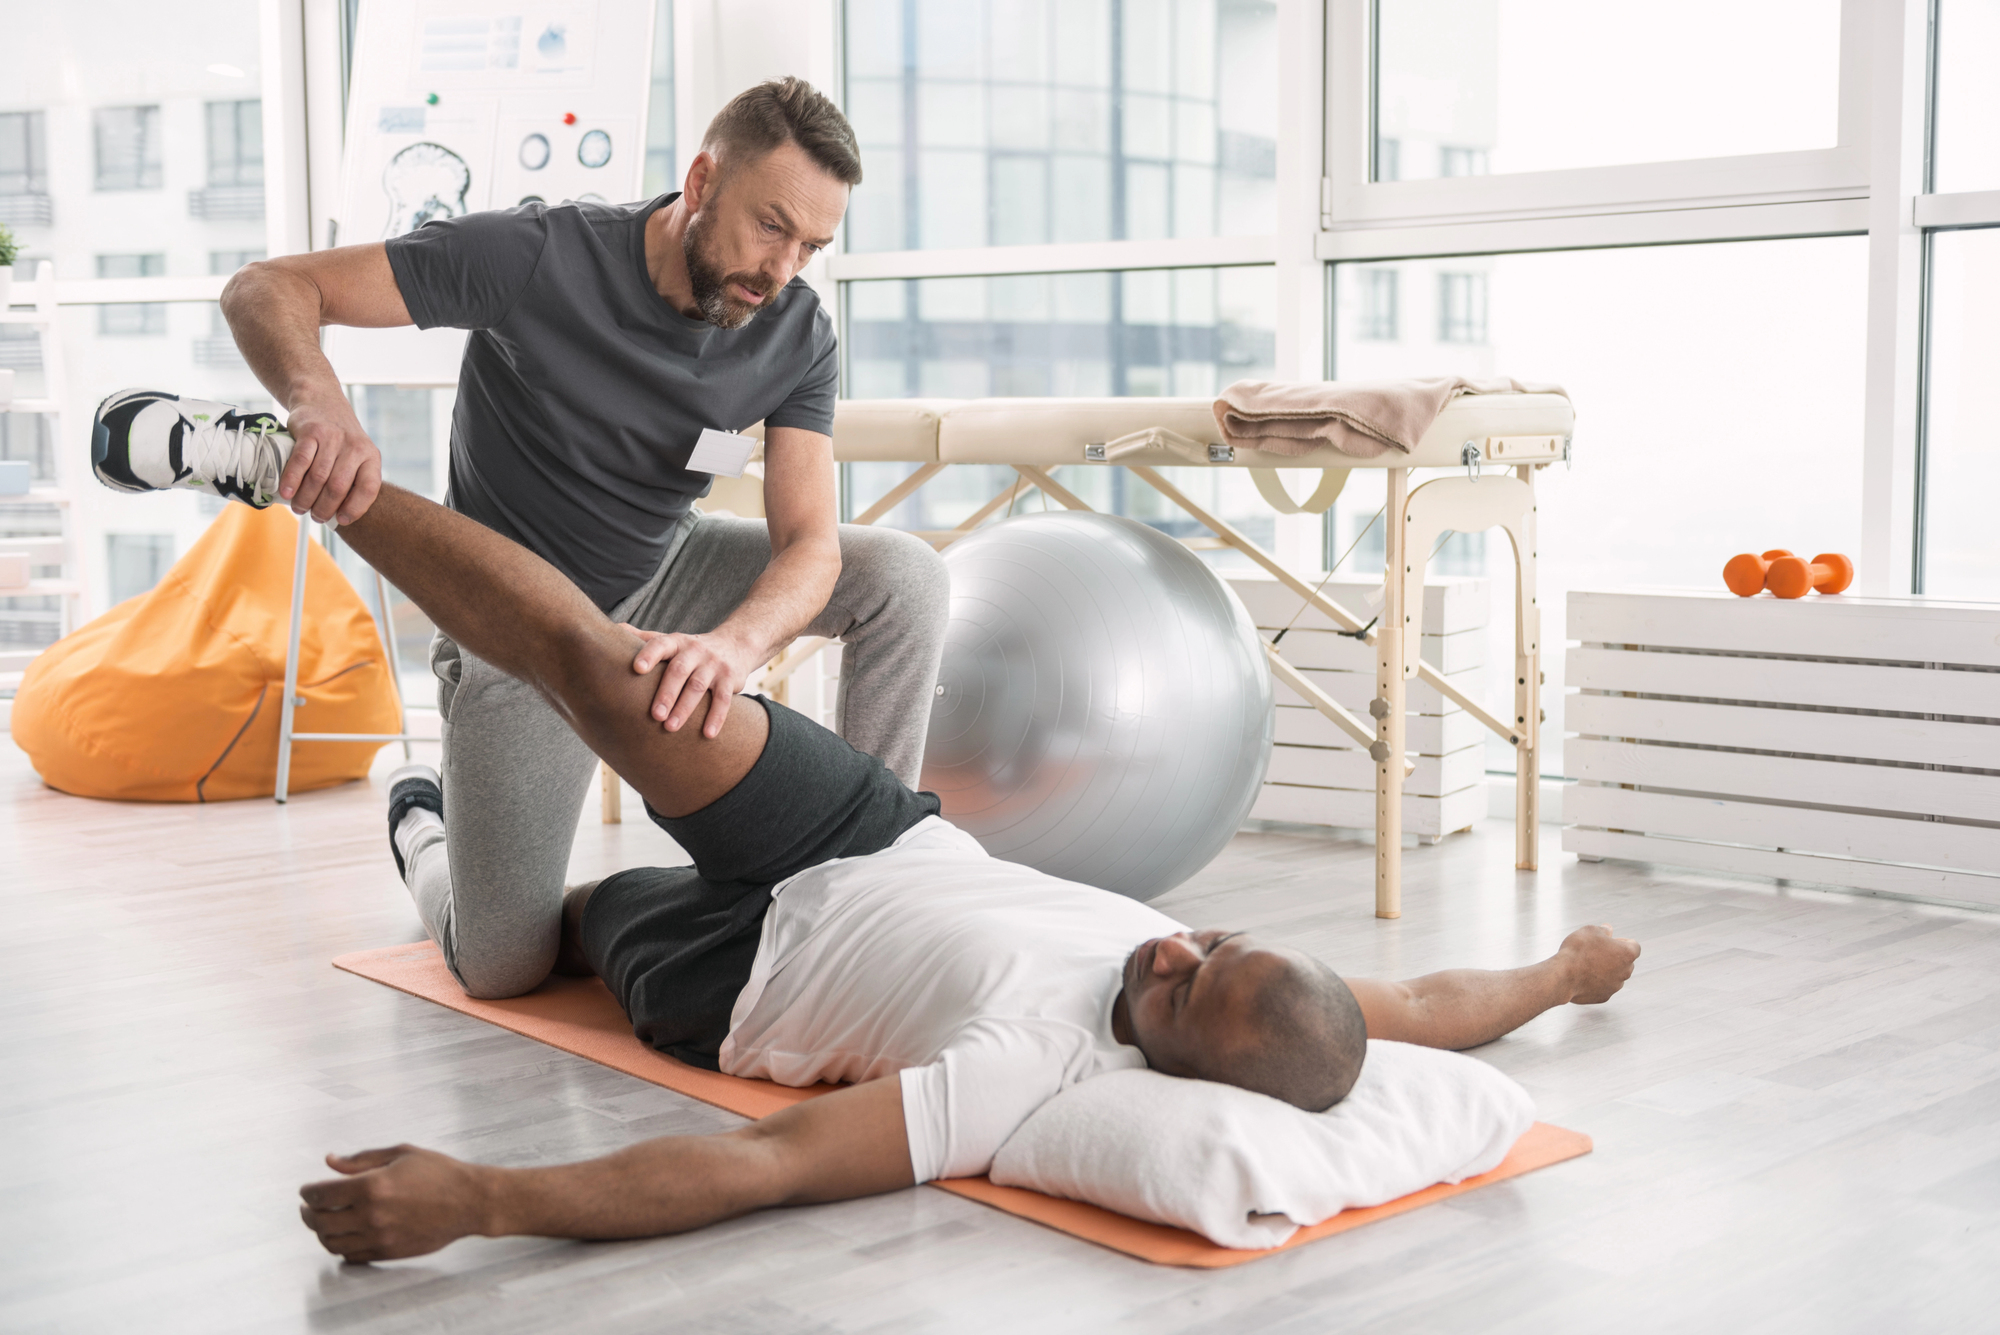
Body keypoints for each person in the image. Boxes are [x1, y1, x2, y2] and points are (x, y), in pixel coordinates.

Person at [88, 419, 1642, 1265]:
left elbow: (757, 1163)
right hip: (868, 832)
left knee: (518, 937)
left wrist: (480, 1198)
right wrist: (1571, 963)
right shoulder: (1272, 1001)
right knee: (600, 661)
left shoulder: (1025, 1074)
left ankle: (421, 822)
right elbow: (1435, 1009)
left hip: (738, 972)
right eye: (1211, 941)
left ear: (1174, 1066)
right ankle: (287, 462)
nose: (1170, 942)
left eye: (1176, 988)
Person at [141, 76, 952, 1001]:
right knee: (501, 966)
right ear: (700, 180)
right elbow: (268, 286)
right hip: (515, 627)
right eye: (772, 226)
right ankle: (423, 824)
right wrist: (318, 403)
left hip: (668, 570)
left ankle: (869, 873)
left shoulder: (796, 330)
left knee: (907, 576)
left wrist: (734, 645)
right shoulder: (537, 254)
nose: (783, 268)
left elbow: (811, 543)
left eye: (812, 244)